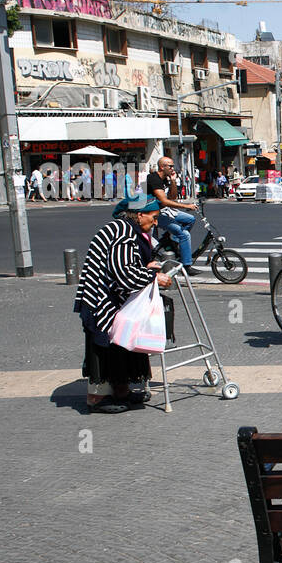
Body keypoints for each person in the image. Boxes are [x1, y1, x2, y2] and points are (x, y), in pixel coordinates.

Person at [73, 194, 173, 413]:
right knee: (104, 346)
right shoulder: (123, 233)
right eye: (153, 217)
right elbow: (123, 273)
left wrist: (146, 268)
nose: (155, 222)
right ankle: (97, 398)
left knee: (120, 342)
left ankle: (121, 390)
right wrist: (153, 277)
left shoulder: (125, 229)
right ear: (139, 215)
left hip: (110, 296)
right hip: (100, 298)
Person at [148, 156, 201, 275]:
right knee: (184, 234)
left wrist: (173, 181)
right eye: (170, 166)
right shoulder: (153, 179)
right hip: (153, 213)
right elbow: (164, 201)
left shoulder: (165, 179)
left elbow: (172, 197)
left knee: (190, 219)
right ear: (162, 167)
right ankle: (186, 265)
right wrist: (187, 206)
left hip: (164, 210)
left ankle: (173, 241)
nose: (173, 168)